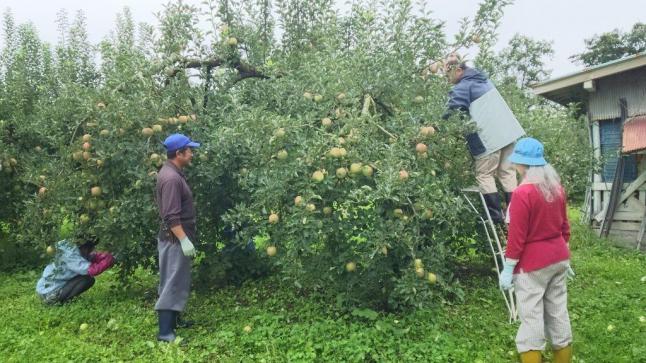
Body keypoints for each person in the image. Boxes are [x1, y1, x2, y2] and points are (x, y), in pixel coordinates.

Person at [499, 137, 574, 363]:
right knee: (558, 312)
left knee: (531, 318)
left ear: (522, 164)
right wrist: (565, 257)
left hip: (532, 266)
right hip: (558, 259)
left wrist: (509, 268)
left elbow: (517, 237)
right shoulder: (556, 188)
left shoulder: (523, 194)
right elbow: (565, 228)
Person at [443, 54, 525, 224]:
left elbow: (453, 108)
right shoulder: (483, 80)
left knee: (484, 175)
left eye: (447, 74)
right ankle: (515, 215)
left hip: (489, 139)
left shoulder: (463, 86)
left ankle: (495, 218)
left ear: (458, 70)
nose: (447, 79)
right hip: (508, 134)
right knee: (507, 172)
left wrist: (437, 124)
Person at [154, 133, 201, 342]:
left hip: (176, 237)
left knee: (177, 279)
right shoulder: (171, 178)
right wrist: (183, 239)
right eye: (189, 150)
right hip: (174, 239)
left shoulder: (174, 172)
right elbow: (171, 215)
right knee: (172, 281)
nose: (191, 154)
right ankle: (165, 333)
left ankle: (174, 322)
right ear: (178, 153)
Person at [36, 236, 114, 304]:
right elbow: (91, 270)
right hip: (49, 293)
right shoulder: (71, 255)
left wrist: (106, 256)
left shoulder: (69, 247)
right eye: (90, 249)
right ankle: (64, 301)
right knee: (88, 279)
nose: (91, 251)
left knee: (86, 276)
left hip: (46, 290)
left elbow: (91, 257)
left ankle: (62, 297)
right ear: (85, 247)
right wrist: (108, 261)